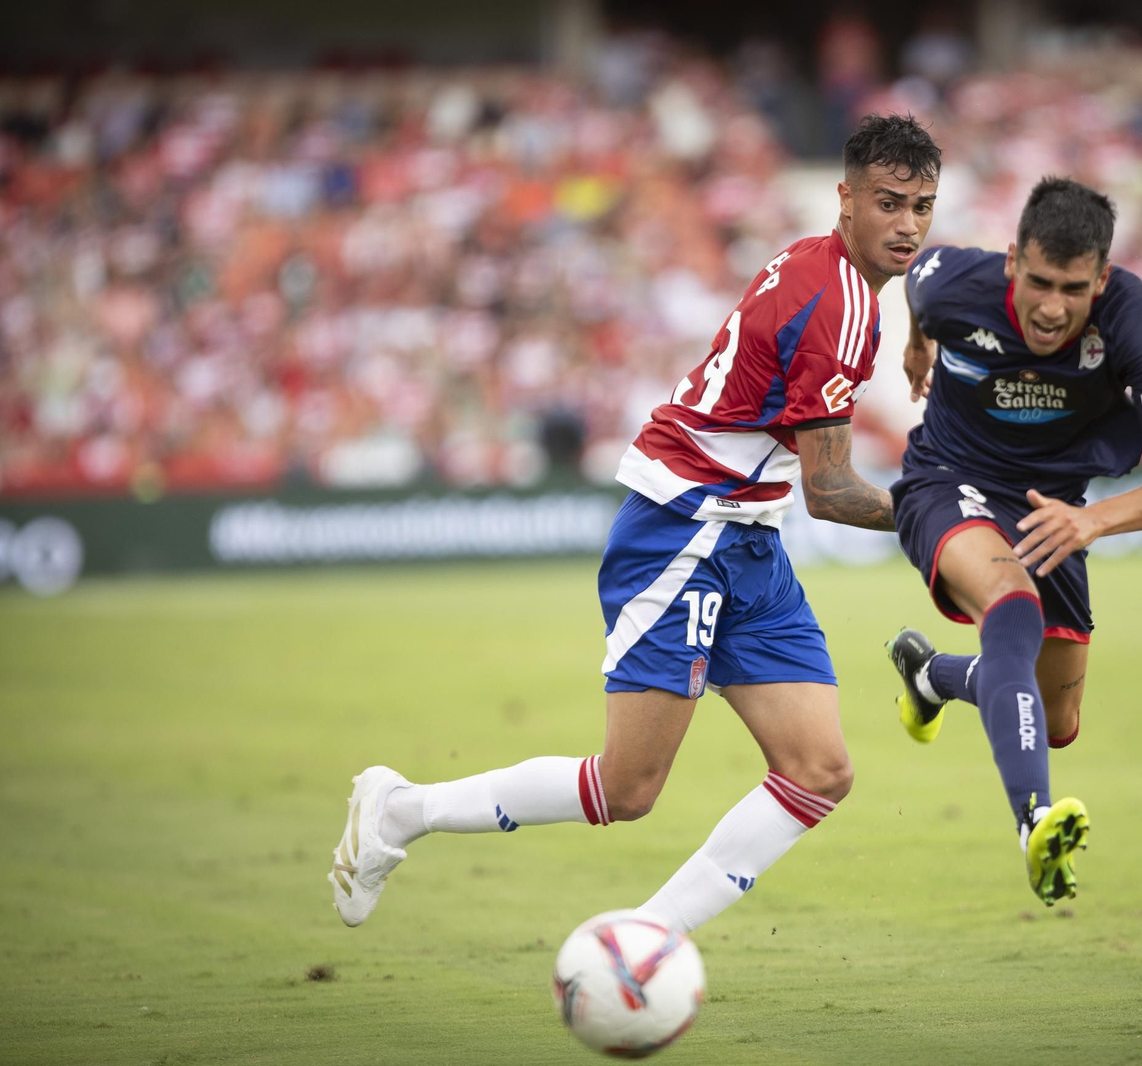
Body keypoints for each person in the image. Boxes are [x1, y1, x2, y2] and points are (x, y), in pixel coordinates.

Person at [329, 114, 941, 933]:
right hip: (684, 528)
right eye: (889, 203)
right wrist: (945, 517)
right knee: (629, 788)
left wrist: (924, 333)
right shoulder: (836, 305)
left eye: (922, 207)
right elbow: (829, 491)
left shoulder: (825, 267)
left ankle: (644, 941)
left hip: (745, 536)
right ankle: (402, 810)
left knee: (819, 770)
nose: (907, 225)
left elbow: (940, 281)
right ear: (846, 199)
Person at [884, 176, 1142, 906]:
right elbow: (917, 282)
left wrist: (1091, 521)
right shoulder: (953, 284)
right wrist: (916, 348)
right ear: (1012, 262)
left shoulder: (1133, 320)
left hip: (1054, 512)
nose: (1052, 307)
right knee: (1011, 604)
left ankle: (933, 677)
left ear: (1102, 279)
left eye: (1073, 288)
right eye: (1038, 282)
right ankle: (1035, 823)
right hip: (948, 480)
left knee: (1055, 721)